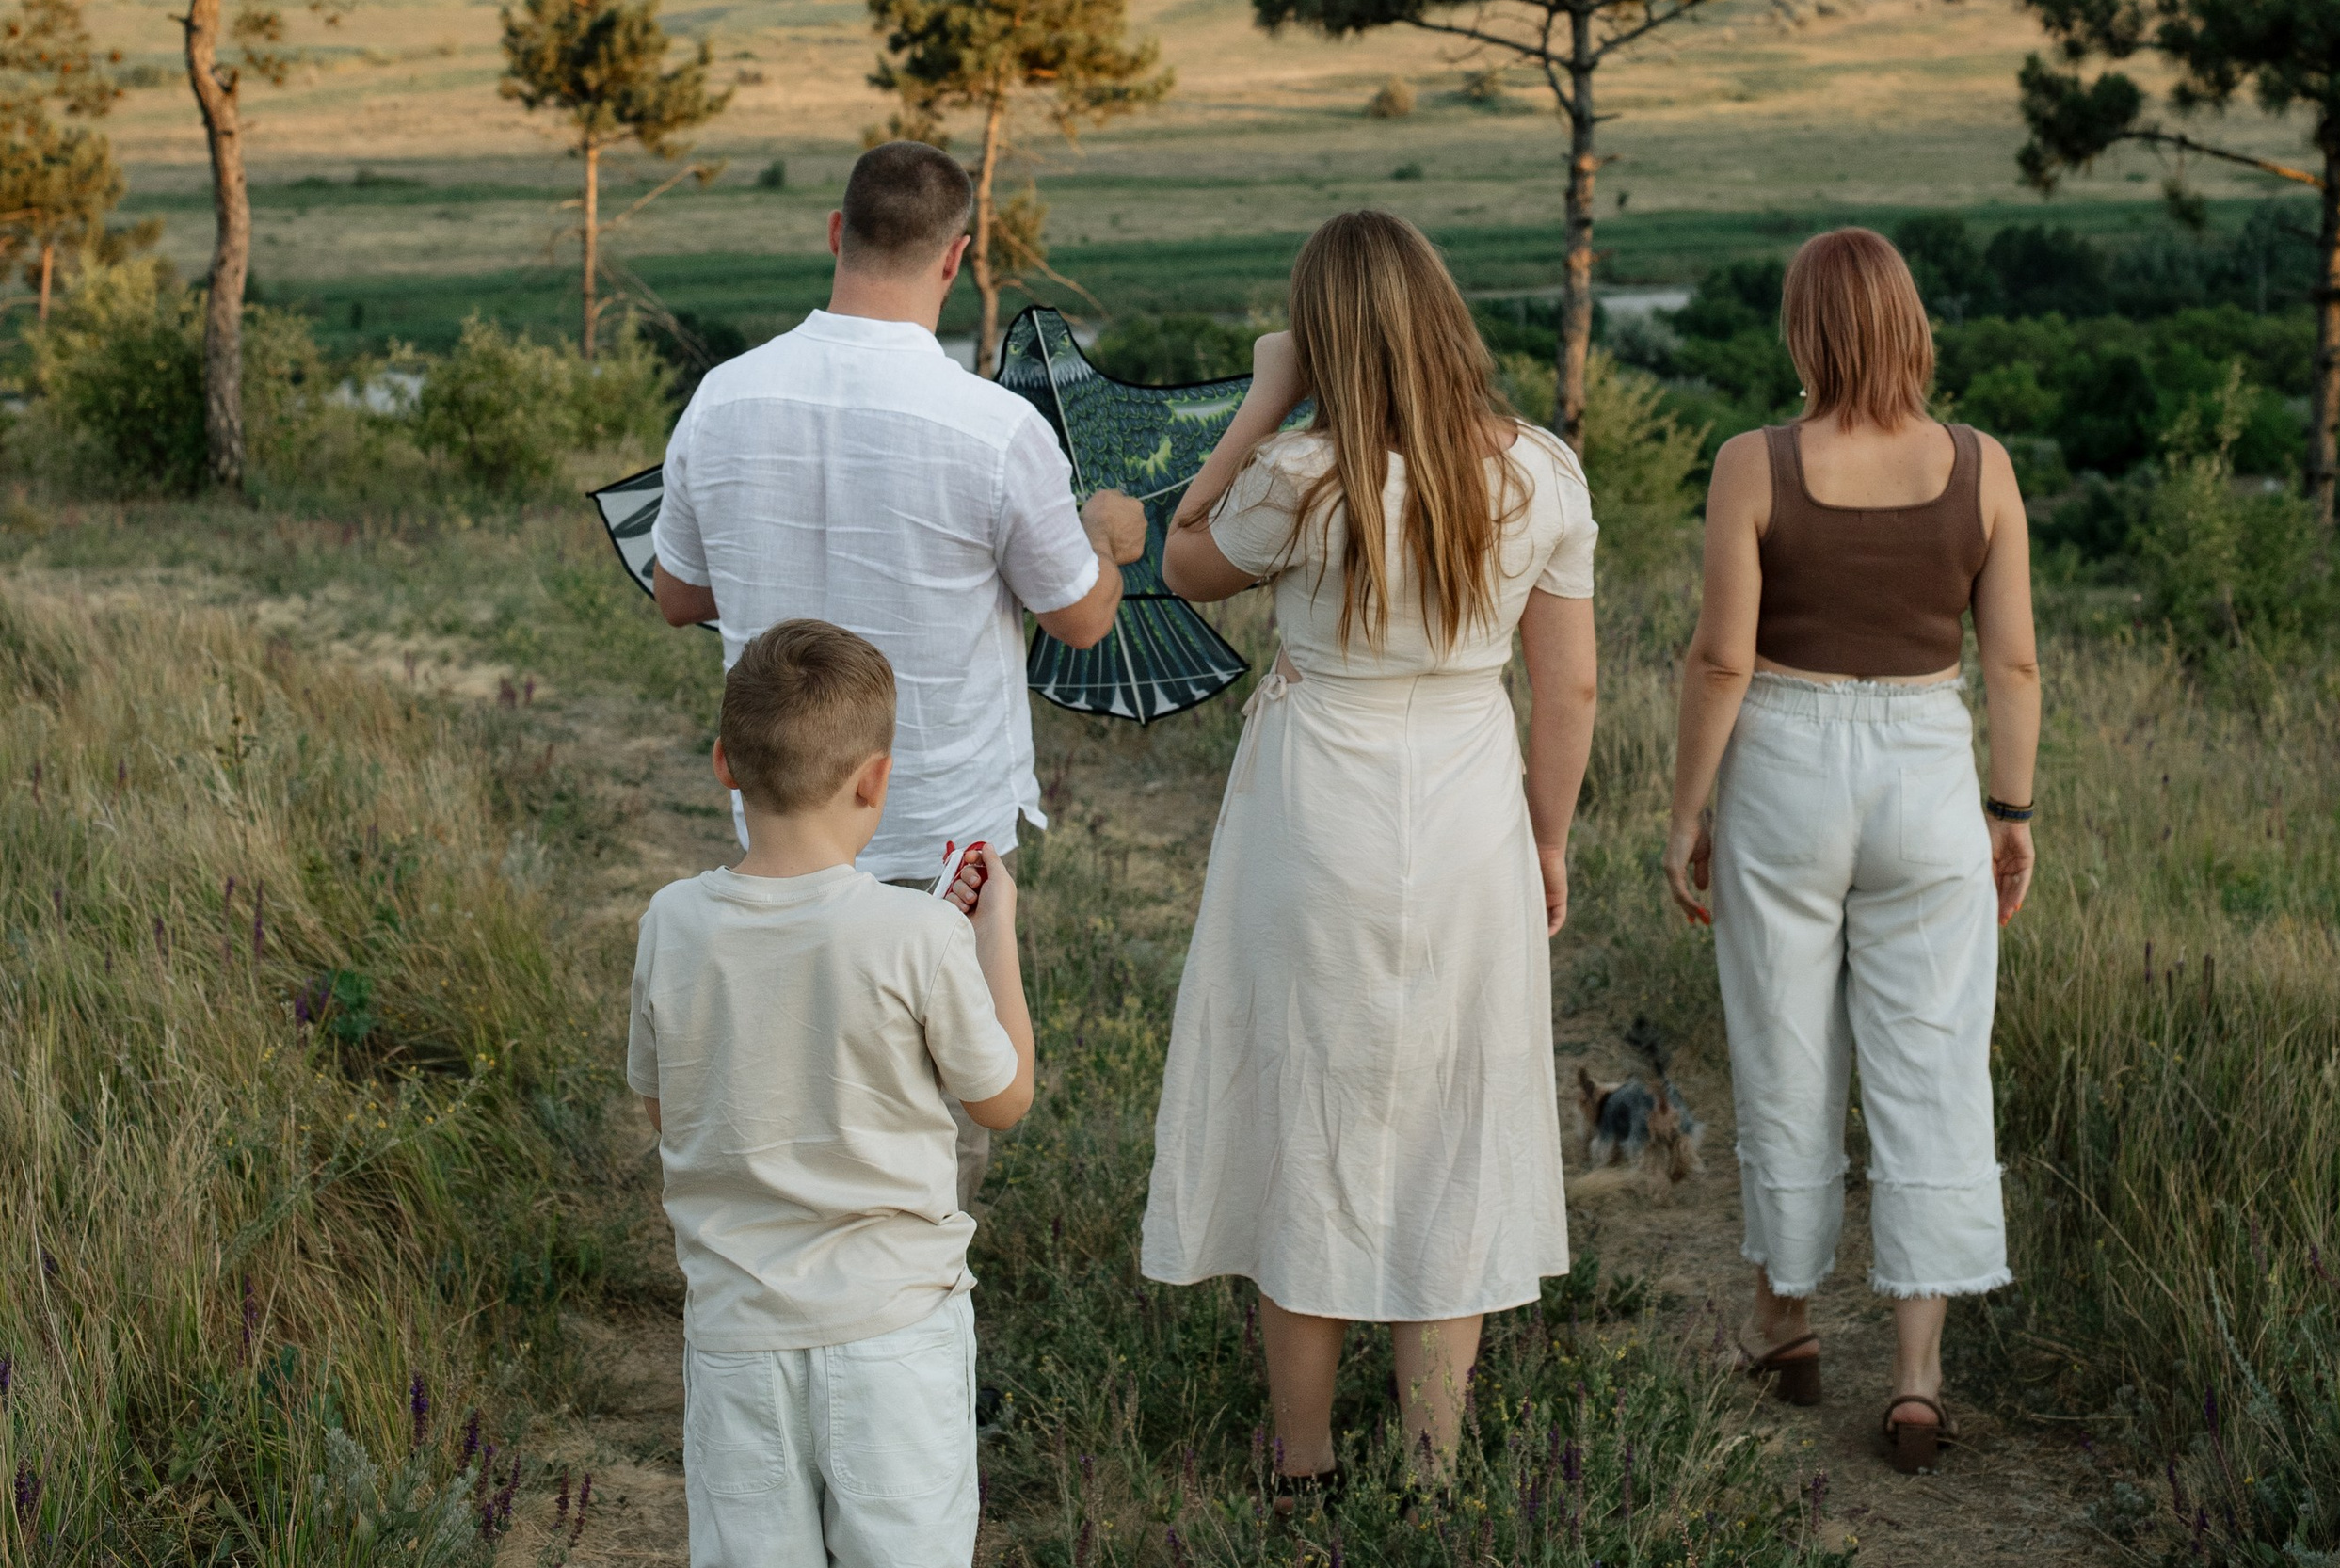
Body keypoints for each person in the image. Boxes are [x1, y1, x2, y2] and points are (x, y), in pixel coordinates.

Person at [1143, 208, 1598, 1499]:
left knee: (1310, 1104)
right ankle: (1432, 1469)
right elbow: (1568, 694)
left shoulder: (1299, 477)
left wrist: (1259, 400)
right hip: (1467, 816)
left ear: (1323, 340)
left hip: (1315, 813)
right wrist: (1548, 835)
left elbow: (1180, 560)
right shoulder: (1538, 474)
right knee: (1453, 1107)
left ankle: (1303, 1460)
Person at [649, 139, 1145, 1189]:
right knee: (930, 1125)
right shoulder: (996, 429)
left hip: (779, 819)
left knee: (782, 1098)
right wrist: (1104, 537)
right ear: (957, 257)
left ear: (835, 233)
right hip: (941, 840)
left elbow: (677, 595)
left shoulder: (722, 400)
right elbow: (1083, 623)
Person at [629, 617, 1034, 1568]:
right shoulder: (917, 936)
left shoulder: (671, 922)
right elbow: (1002, 1095)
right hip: (895, 1345)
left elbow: (658, 1101)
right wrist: (986, 933)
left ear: (722, 767)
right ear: (877, 780)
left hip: (742, 1347)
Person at [1661, 226, 2041, 1475]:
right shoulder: (1979, 466)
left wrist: (1686, 811)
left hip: (1784, 756)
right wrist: (2012, 809)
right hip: (1931, 764)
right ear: (1910, 326)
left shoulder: (1754, 464)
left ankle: (1786, 1321)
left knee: (1785, 1042)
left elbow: (1720, 657)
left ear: (1803, 333)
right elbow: (2015, 663)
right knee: (1932, 1061)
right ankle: (1921, 1377)